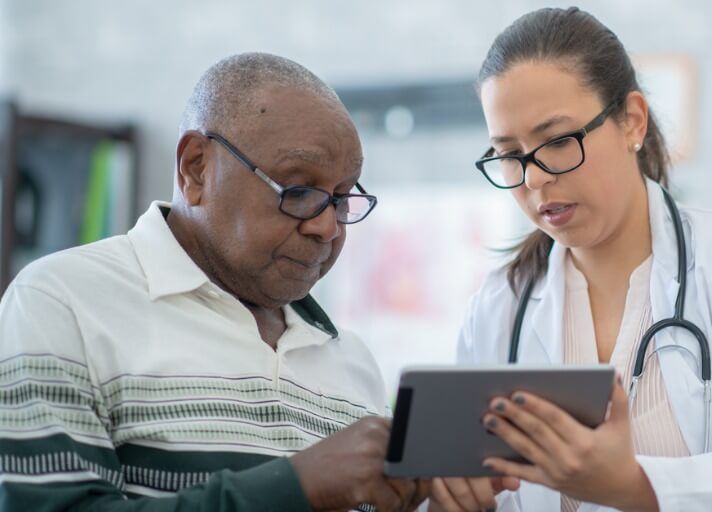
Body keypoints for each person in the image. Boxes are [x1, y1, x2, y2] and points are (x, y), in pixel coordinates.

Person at [429, 7, 712, 511]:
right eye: (510, 154)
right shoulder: (499, 308)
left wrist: (631, 486)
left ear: (632, 120)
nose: (534, 178)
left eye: (558, 142)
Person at [0, 53, 426, 512]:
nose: (328, 228)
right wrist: (296, 487)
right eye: (299, 191)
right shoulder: (63, 303)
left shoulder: (350, 361)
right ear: (196, 168)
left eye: (342, 199)